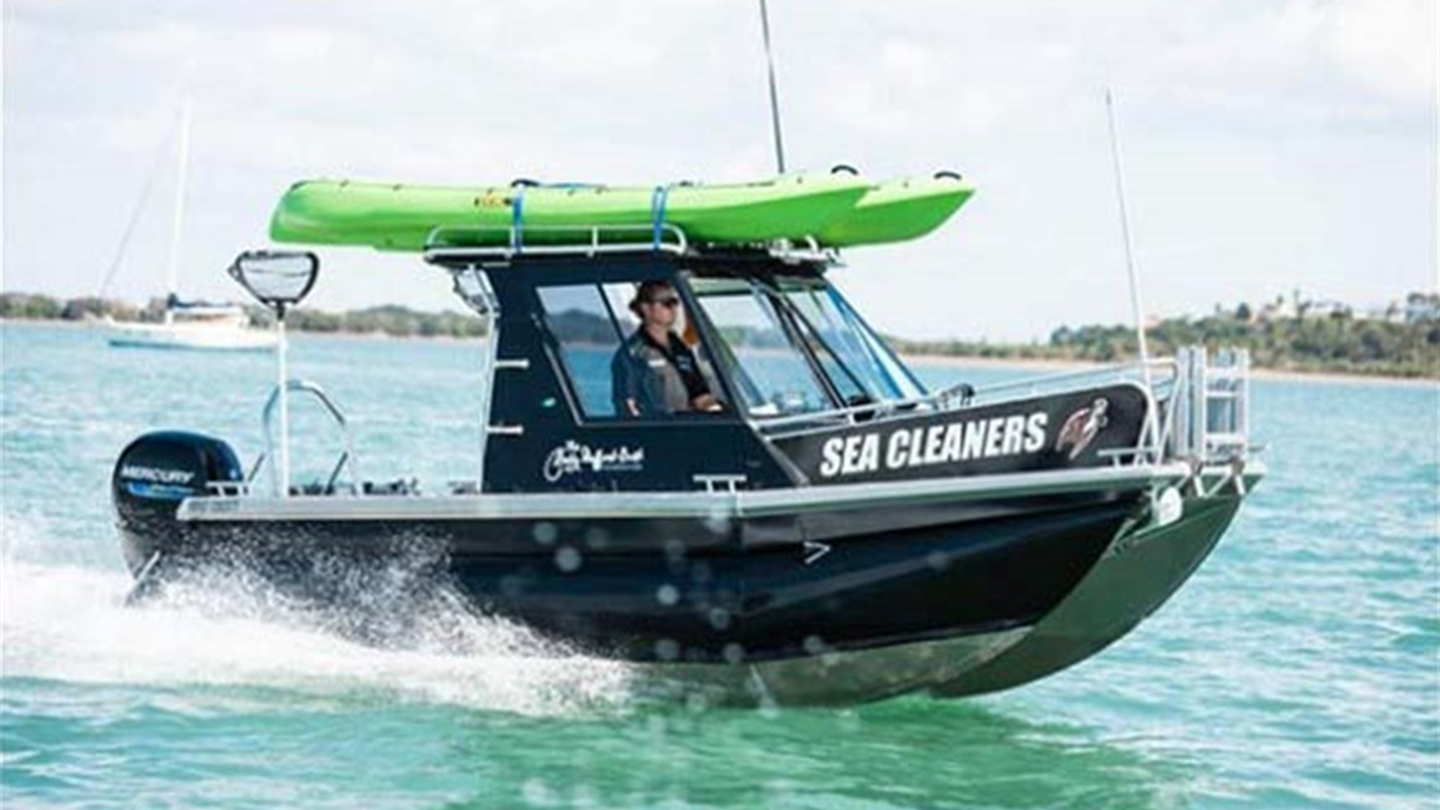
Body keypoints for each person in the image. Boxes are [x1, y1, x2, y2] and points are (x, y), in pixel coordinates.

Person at [611, 280, 721, 417]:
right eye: (667, 303)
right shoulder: (632, 355)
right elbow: (626, 406)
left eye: (675, 302)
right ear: (646, 308)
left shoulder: (682, 349)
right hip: (659, 433)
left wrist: (719, 409)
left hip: (690, 429)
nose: (673, 309)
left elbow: (699, 394)